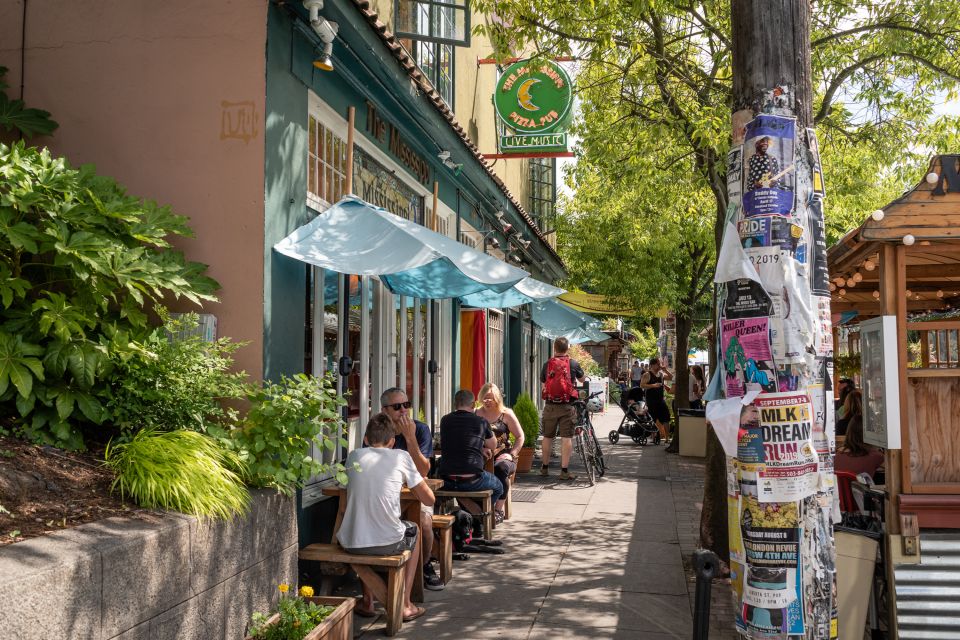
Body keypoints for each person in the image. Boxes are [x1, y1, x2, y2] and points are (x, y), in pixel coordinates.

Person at [338, 413, 434, 622]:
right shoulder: (400, 456)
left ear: (365, 439)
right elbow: (429, 499)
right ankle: (405, 604)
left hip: (350, 543)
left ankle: (368, 601)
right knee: (414, 529)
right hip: (387, 543)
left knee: (366, 523)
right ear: (392, 442)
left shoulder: (354, 456)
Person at [377, 387, 443, 591]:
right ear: (385, 410)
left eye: (407, 405)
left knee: (423, 523)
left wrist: (410, 437)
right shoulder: (378, 430)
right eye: (397, 407)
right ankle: (380, 570)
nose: (404, 411)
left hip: (415, 490)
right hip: (386, 492)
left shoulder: (420, 429)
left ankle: (424, 564)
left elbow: (423, 469)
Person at [438, 389, 504, 510]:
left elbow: (456, 441)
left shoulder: (445, 420)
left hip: (447, 480)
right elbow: (493, 445)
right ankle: (480, 513)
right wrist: (482, 447)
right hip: (472, 480)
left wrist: (479, 447)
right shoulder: (481, 422)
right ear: (473, 405)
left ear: (455, 404)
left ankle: (470, 511)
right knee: (499, 487)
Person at [475, 382, 524, 524]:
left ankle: (498, 509)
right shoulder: (476, 414)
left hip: (504, 454)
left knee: (500, 468)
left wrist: (512, 453)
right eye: (484, 397)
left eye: (490, 397)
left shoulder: (506, 414)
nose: (487, 400)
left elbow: (520, 436)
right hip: (481, 454)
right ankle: (477, 509)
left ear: (497, 398)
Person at [540, 336, 585, 480]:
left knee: (547, 437)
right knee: (566, 438)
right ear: (568, 348)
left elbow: (543, 384)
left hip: (550, 406)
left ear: (554, 348)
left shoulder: (547, 364)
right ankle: (564, 471)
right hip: (567, 406)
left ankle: (545, 468)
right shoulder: (573, 363)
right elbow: (582, 379)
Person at [835, 392, 883, 479]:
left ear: (848, 433)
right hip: (862, 491)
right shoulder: (875, 457)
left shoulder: (836, 458)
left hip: (842, 492)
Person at [640, 358, 673, 442]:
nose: (659, 366)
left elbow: (671, 377)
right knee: (652, 419)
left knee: (666, 418)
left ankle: (667, 438)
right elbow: (642, 385)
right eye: (658, 364)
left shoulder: (661, 374)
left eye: (659, 364)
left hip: (661, 400)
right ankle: (654, 437)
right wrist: (654, 385)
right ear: (652, 365)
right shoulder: (647, 374)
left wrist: (665, 370)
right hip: (651, 400)